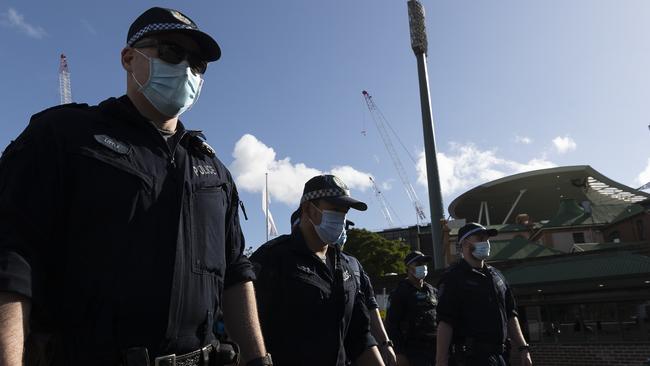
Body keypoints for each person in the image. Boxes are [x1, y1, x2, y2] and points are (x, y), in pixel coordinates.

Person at [0, 7, 271, 366]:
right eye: (173, 52)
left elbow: (236, 273)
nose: (187, 69)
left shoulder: (213, 169)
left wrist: (259, 359)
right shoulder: (66, 136)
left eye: (199, 64)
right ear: (130, 58)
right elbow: (12, 257)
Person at [251, 174, 385, 366]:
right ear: (308, 209)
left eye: (344, 212)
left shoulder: (346, 267)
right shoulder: (272, 259)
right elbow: (247, 329)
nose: (340, 219)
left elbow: (359, 336)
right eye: (334, 210)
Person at [288, 213, 398, 366]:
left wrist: (385, 343)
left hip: (354, 352)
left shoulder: (352, 264)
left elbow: (369, 306)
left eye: (344, 227)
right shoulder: (283, 261)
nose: (341, 230)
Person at [435, 223, 532, 366]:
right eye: (480, 238)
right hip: (471, 358)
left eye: (487, 239)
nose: (486, 243)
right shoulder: (453, 278)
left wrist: (523, 348)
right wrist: (441, 361)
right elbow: (445, 323)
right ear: (464, 244)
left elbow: (511, 314)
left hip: (500, 356)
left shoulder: (497, 276)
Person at [385, 251, 438, 366]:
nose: (423, 267)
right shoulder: (399, 293)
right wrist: (399, 353)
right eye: (418, 263)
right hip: (412, 352)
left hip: (435, 350)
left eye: (425, 263)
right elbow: (392, 326)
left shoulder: (433, 291)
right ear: (408, 267)